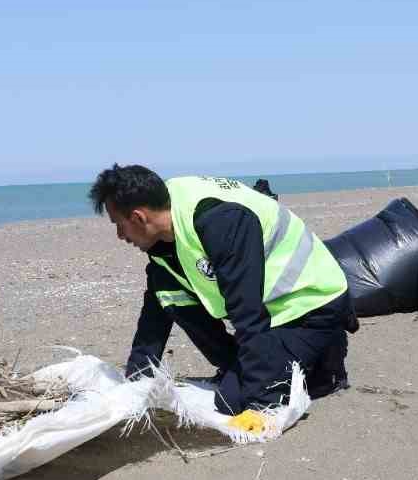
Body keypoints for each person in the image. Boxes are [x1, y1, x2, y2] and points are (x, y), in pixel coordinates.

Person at [89, 166, 354, 435]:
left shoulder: (219, 221)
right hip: (272, 311)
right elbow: (155, 314)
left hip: (311, 306)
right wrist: (136, 382)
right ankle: (245, 365)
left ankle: (325, 359)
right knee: (167, 290)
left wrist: (261, 404)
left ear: (138, 217)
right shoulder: (166, 229)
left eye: (119, 225)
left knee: (232, 400)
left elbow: (248, 313)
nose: (120, 236)